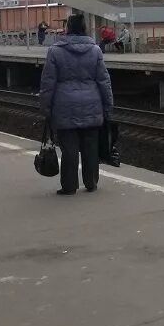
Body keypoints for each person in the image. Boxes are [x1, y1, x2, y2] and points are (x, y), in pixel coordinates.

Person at [39, 13, 114, 195]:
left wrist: (45, 107)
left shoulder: (55, 51)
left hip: (65, 106)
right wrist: (108, 106)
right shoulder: (95, 50)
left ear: (67, 29)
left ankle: (69, 186)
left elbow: (48, 83)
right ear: (84, 29)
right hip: (91, 104)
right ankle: (91, 182)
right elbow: (104, 81)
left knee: (69, 148)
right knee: (90, 147)